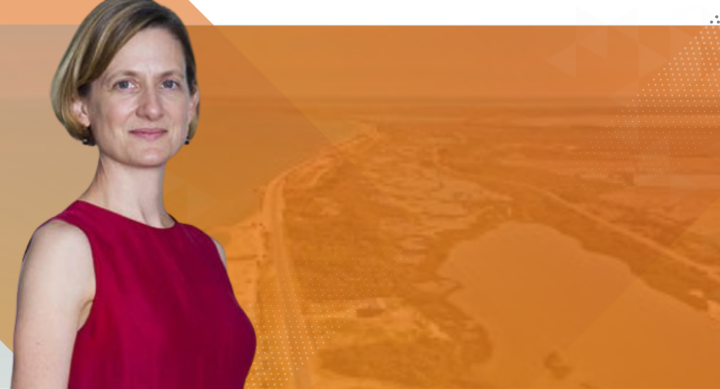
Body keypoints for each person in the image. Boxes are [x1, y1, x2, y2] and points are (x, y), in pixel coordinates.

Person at [11, 0, 257, 387]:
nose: (152, 107)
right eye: (125, 84)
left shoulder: (209, 252)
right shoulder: (66, 250)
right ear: (81, 106)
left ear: (191, 104)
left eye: (169, 83)